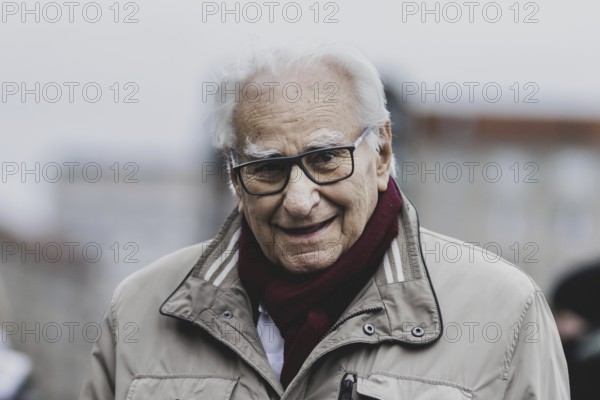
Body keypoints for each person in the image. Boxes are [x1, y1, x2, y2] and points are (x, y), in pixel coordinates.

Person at [80, 45, 569, 399]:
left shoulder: (503, 310)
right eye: (267, 168)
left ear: (381, 153)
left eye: (326, 158)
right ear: (233, 175)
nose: (298, 199)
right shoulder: (142, 309)